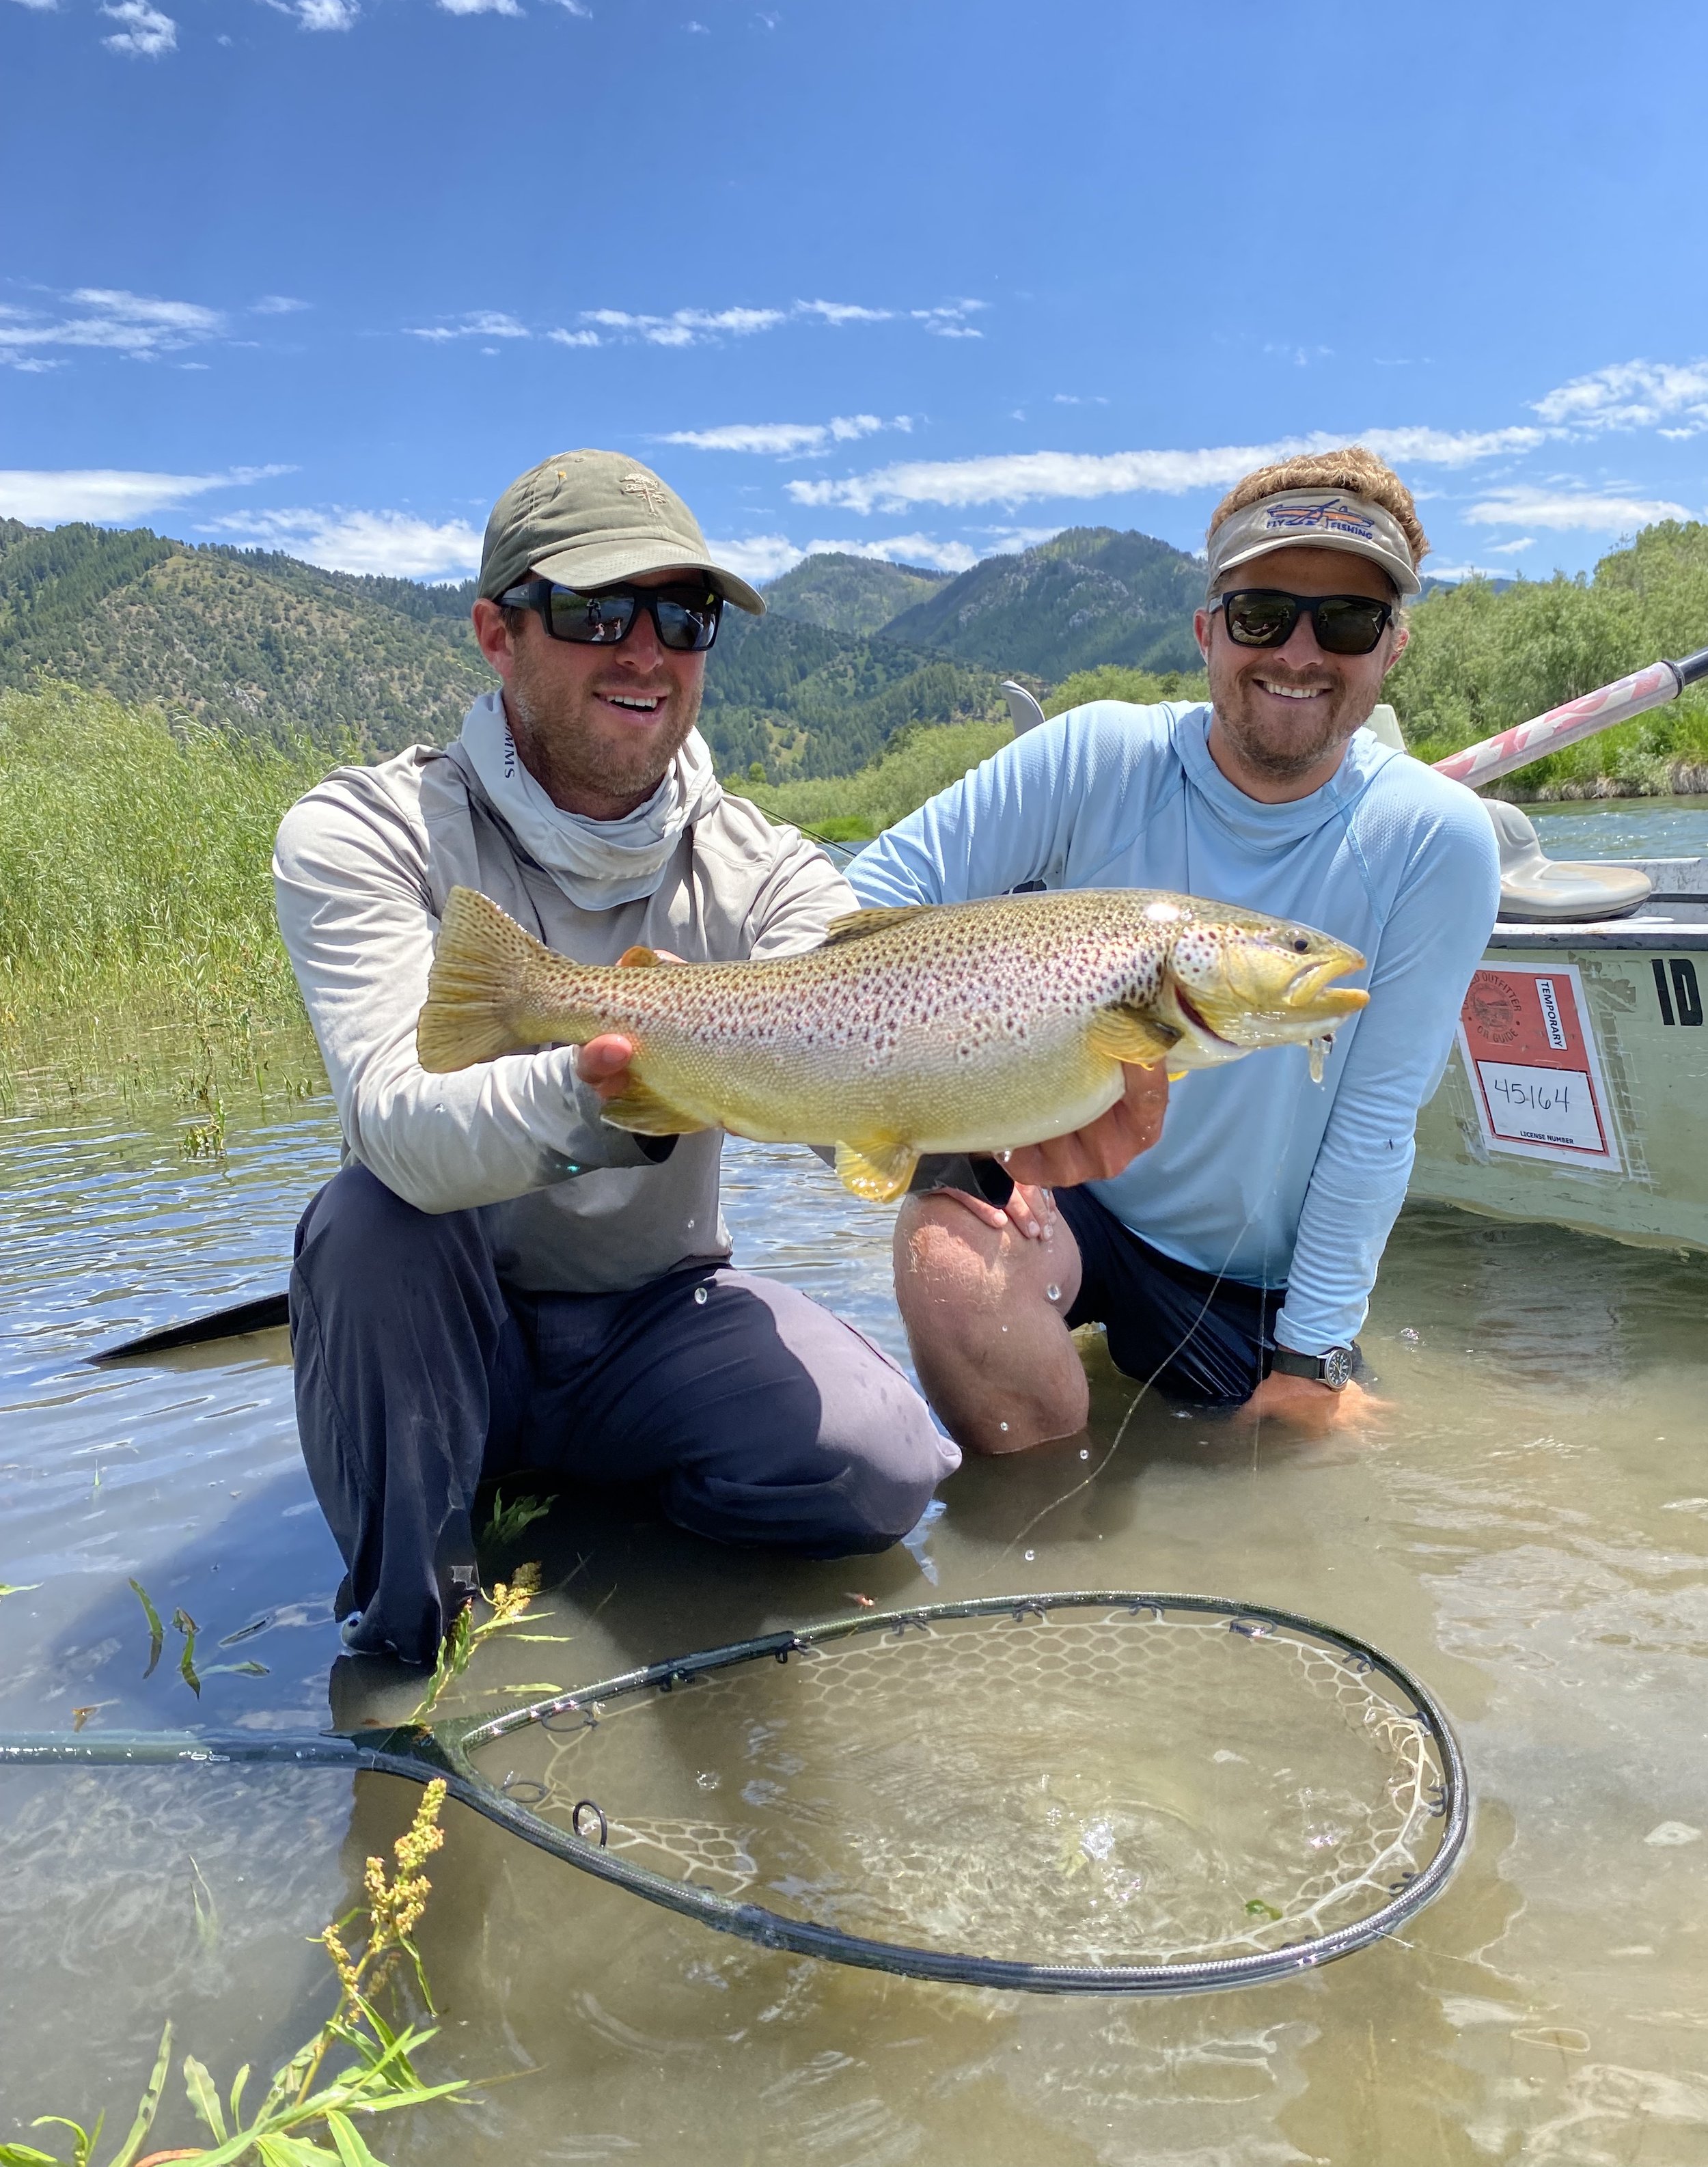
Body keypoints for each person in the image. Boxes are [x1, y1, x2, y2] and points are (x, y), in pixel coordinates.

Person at [274, 450, 958, 1668]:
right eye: (598, 611)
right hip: (453, 1318)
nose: (647, 651)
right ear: (497, 634)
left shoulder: (770, 869)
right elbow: (399, 1122)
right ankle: (419, 1636)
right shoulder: (366, 831)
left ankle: (607, 1515)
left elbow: (856, 1061)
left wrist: (988, 1134)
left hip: (654, 1317)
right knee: (369, 1227)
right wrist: (617, 1089)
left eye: (684, 616)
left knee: (884, 1469)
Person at [848, 447, 1501, 1450]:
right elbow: (866, 903)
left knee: (1294, 1469)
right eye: (1262, 615)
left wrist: (1315, 1359)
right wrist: (971, 1128)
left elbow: (1375, 1125)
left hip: (1251, 1280)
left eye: (1347, 620)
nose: (1300, 652)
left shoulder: (1436, 839)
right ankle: (1035, 1525)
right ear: (1208, 632)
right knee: (949, 1264)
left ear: (1392, 650)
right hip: (1072, 1203)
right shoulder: (1095, 755)